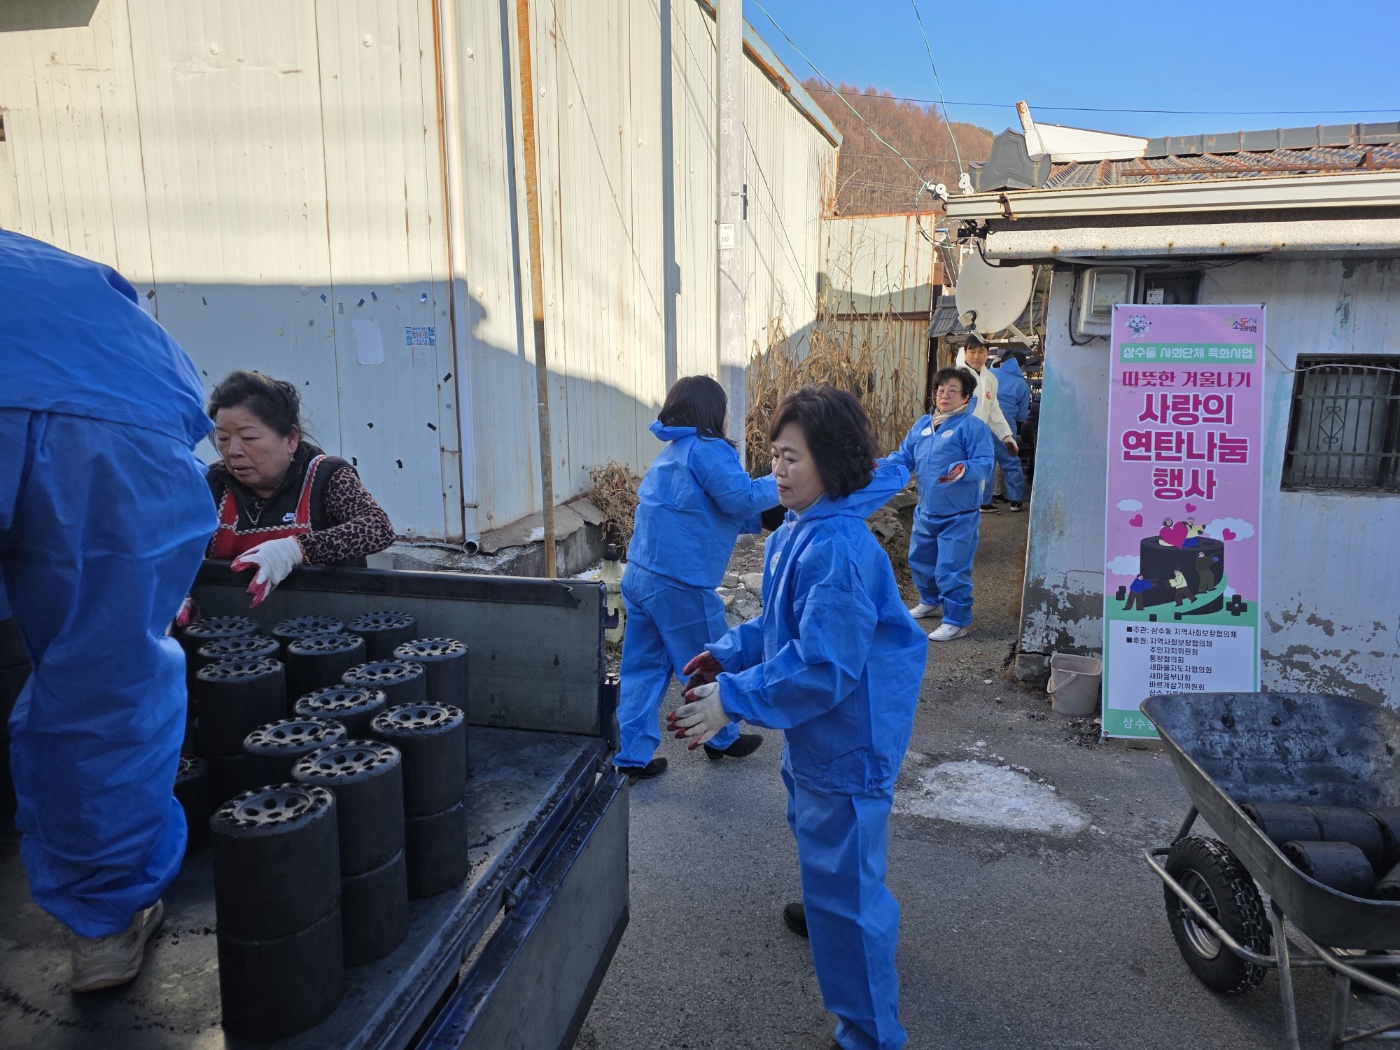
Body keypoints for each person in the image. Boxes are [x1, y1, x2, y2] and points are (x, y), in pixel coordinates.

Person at [669, 386, 926, 1050]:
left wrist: (734, 698)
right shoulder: (802, 528)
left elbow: (821, 666)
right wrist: (728, 654)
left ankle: (869, 1035)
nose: (778, 471)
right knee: (835, 866)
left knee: (850, 895)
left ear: (832, 462)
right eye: (775, 456)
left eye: (793, 458)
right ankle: (831, 906)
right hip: (824, 738)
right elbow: (778, 627)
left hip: (848, 738)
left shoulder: (836, 550)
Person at [0, 230, 216, 992]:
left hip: (109, 403)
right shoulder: (65, 278)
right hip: (113, 405)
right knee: (106, 678)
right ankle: (103, 920)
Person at [614, 375, 777, 780]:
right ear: (711, 411)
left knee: (643, 670)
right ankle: (723, 739)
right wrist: (785, 479)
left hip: (640, 576)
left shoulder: (671, 453)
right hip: (680, 582)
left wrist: (758, 515)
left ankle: (630, 755)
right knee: (709, 659)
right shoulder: (708, 450)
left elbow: (701, 513)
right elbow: (739, 498)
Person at [205, 371, 395, 606]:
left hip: (329, 626)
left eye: (249, 438)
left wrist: (294, 550)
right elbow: (170, 548)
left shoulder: (326, 475)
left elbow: (377, 528)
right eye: (223, 439)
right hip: (232, 627)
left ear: (291, 439)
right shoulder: (213, 485)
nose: (233, 451)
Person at [884, 368, 995, 642]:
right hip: (927, 510)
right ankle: (930, 601)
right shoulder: (923, 424)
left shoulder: (972, 427)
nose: (944, 395)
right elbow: (904, 456)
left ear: (966, 396)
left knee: (951, 568)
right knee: (920, 560)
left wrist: (964, 468)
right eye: (940, 390)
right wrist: (879, 466)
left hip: (959, 514)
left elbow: (985, 463)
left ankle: (956, 620)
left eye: (952, 391)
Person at [954, 340, 1019, 513]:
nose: (976, 356)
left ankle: (970, 525)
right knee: (955, 486)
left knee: (976, 484)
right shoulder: (955, 376)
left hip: (978, 439)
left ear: (988, 353)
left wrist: (1006, 436)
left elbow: (993, 409)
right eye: (972, 351)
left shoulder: (990, 378)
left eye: (981, 351)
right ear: (964, 351)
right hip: (956, 441)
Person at [991, 350, 1031, 512]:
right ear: (1021, 366)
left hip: (984, 422)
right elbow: (1022, 415)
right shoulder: (1022, 385)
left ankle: (983, 502)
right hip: (1005, 426)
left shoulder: (990, 373)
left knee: (986, 461)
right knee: (1010, 462)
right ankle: (1015, 500)